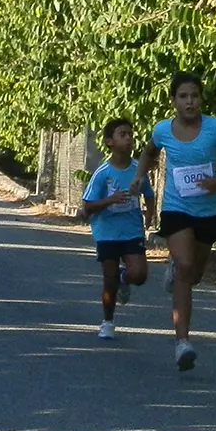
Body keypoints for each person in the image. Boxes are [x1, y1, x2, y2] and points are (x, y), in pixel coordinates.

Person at [140, 72, 216, 371]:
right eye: (183, 96)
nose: (190, 101)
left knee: (194, 274)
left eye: (195, 96)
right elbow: (148, 153)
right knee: (186, 268)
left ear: (201, 99)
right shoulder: (162, 130)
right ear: (173, 101)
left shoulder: (215, 128)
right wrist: (139, 177)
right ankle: (182, 343)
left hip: (209, 214)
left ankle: (177, 269)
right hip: (175, 209)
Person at [80, 117, 154, 340]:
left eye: (130, 134)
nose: (129, 138)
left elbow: (149, 197)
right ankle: (107, 321)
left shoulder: (138, 171)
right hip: (107, 232)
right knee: (108, 278)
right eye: (123, 134)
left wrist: (148, 221)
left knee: (139, 275)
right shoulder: (103, 173)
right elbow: (88, 206)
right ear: (109, 141)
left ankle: (126, 278)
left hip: (132, 230)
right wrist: (110, 200)